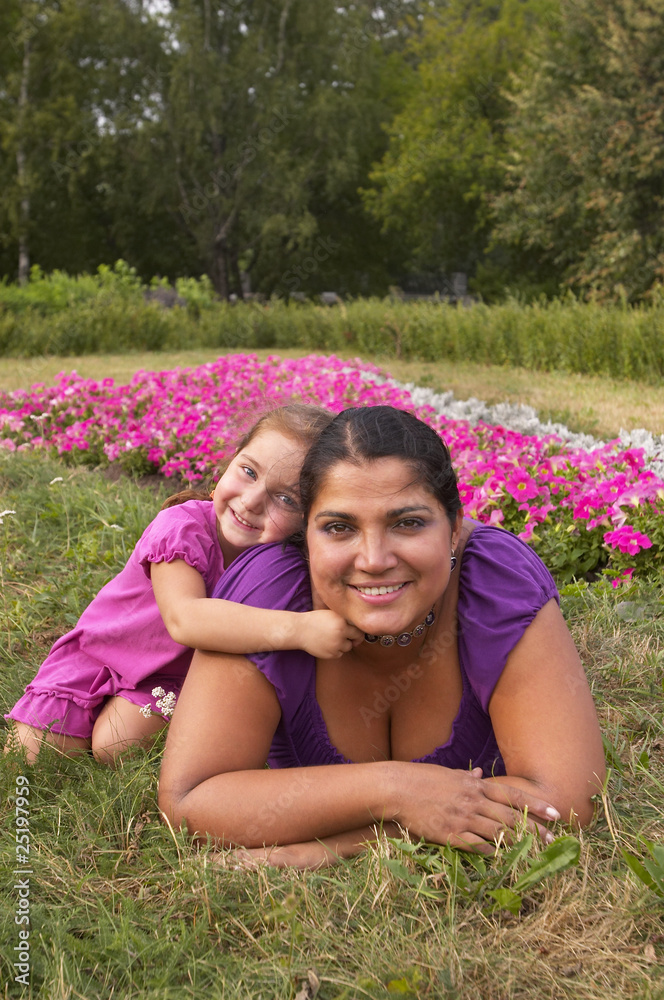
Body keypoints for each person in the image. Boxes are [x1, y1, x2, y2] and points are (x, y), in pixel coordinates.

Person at [158, 405, 606, 868]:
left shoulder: (498, 583)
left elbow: (567, 801)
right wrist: (398, 792)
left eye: (407, 523)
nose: (373, 559)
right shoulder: (269, 595)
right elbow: (191, 800)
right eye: (339, 527)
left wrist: (329, 846)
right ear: (306, 537)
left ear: (454, 528)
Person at [5, 403, 362, 764]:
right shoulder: (182, 527)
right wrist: (301, 629)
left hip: (172, 679)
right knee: (32, 756)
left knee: (116, 746)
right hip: (99, 656)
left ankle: (159, 714)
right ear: (230, 461)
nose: (252, 501)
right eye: (248, 471)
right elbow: (184, 619)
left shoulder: (281, 564)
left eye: (286, 498)